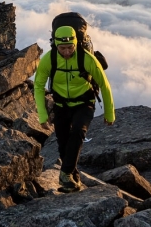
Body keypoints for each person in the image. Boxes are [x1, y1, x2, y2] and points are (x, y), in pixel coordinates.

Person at [33, 25, 115, 192]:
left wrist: (109, 113)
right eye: (62, 48)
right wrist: (42, 116)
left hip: (84, 104)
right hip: (61, 106)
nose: (67, 52)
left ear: (76, 43)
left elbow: (104, 85)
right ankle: (72, 181)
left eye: (70, 47)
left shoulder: (87, 59)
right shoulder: (49, 59)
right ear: (55, 45)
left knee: (78, 131)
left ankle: (65, 173)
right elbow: (39, 86)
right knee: (63, 143)